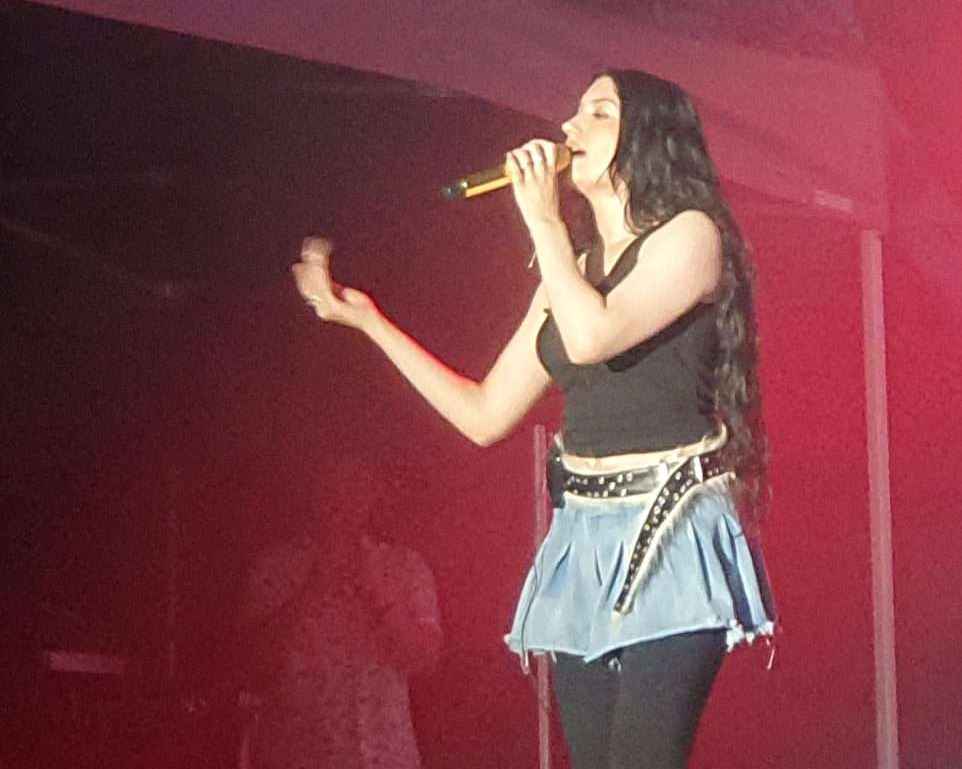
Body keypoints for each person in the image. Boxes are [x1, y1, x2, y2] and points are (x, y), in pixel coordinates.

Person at [290, 69, 774, 769]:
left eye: (599, 113)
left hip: (668, 529)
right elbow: (485, 413)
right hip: (584, 535)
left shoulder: (691, 236)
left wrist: (544, 220)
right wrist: (370, 323)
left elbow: (592, 336)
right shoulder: (570, 270)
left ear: (650, 138)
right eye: (574, 112)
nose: (570, 128)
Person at [236, 458, 442, 769]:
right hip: (298, 759)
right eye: (334, 484)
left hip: (385, 759)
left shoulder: (404, 567)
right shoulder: (277, 568)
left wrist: (380, 597)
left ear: (374, 492)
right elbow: (252, 664)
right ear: (315, 490)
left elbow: (425, 660)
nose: (343, 498)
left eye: (357, 484)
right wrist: (313, 588)